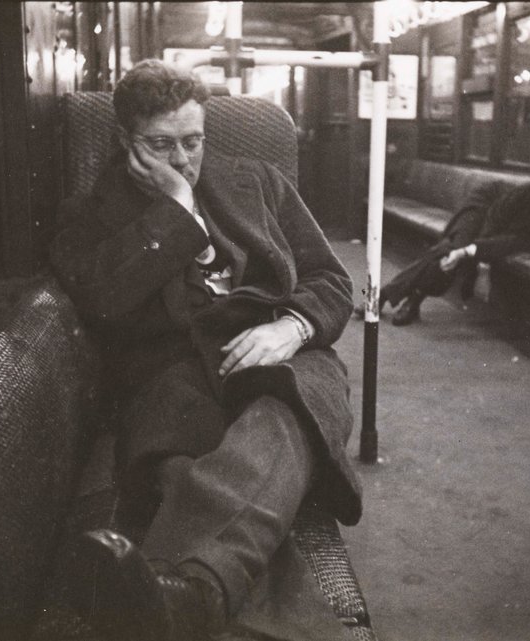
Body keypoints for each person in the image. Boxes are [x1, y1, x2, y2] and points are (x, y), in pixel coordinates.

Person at [49, 60, 360, 641]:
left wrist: (292, 327)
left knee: (281, 418)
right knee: (186, 469)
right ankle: (195, 597)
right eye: (161, 145)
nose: (183, 159)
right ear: (124, 140)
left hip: (282, 357)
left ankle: (176, 589)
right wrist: (177, 210)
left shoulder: (259, 181)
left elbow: (331, 280)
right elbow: (102, 299)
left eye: (193, 142)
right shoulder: (90, 215)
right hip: (174, 375)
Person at [356, 179, 530, 325]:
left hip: (496, 223)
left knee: (449, 252)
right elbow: (499, 211)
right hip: (487, 201)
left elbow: (510, 243)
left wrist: (470, 252)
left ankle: (394, 296)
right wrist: (472, 254)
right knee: (456, 251)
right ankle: (407, 299)